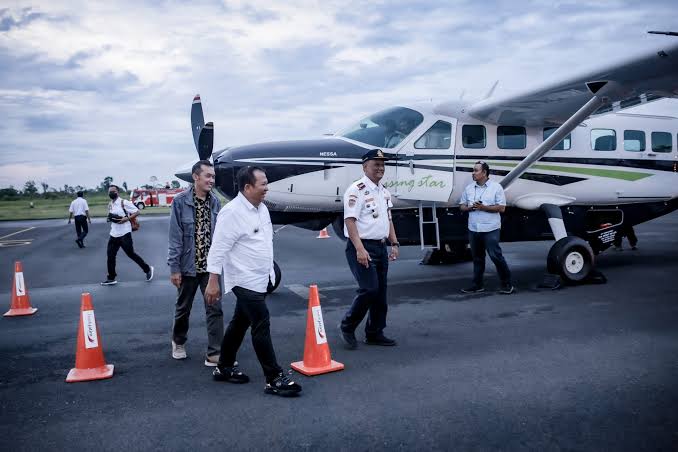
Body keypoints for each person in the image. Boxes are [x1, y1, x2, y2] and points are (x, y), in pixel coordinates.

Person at [205, 166, 301, 397]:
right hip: (243, 279)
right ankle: (273, 377)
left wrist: (270, 273)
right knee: (261, 322)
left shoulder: (261, 209)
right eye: (263, 184)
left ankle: (224, 367)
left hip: (260, 277)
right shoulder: (232, 212)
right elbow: (218, 249)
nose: (267, 188)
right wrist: (213, 281)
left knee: (240, 322)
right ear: (248, 187)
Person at [338, 149, 400, 350]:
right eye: (376, 164)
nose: (380, 168)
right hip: (362, 247)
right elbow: (350, 220)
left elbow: (388, 219)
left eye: (382, 165)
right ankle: (347, 326)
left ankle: (374, 332)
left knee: (380, 293)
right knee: (369, 289)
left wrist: (394, 243)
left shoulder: (383, 191)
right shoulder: (356, 190)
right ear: (365, 167)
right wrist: (359, 248)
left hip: (380, 246)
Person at [168, 160, 224, 366]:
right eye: (208, 176)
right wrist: (174, 268)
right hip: (188, 266)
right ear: (195, 177)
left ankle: (215, 352)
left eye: (213, 176)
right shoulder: (180, 202)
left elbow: (219, 236)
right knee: (183, 308)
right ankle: (179, 341)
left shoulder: (215, 202)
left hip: (210, 268)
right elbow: (175, 238)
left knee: (215, 309)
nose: (212, 180)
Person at [459, 161, 514, 294]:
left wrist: (483, 207)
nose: (473, 173)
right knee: (477, 258)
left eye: (476, 170)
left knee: (496, 256)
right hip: (473, 229)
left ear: (484, 173)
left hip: (491, 229)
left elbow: (502, 208)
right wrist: (470, 207)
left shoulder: (496, 187)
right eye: (473, 170)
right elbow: (461, 206)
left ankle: (507, 284)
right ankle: (477, 285)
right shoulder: (469, 188)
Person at [101, 185, 154, 286]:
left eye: (113, 191)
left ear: (117, 192)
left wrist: (127, 219)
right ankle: (111, 278)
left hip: (125, 233)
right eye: (109, 192)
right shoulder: (110, 204)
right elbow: (111, 216)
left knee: (131, 254)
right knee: (110, 256)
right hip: (113, 233)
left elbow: (137, 212)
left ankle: (147, 269)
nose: (111, 193)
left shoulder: (124, 202)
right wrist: (110, 218)